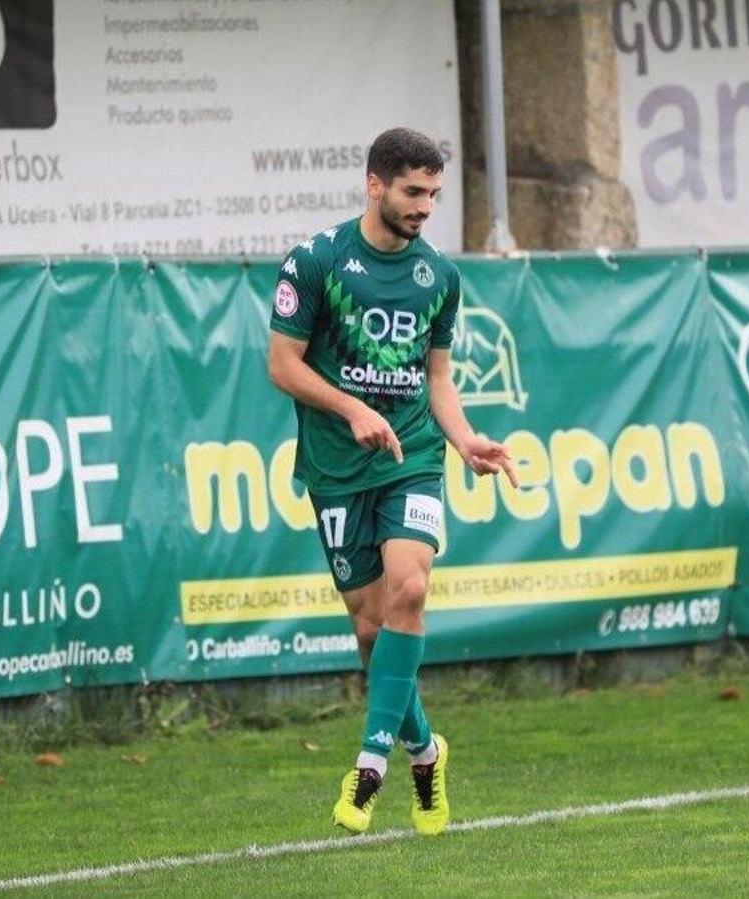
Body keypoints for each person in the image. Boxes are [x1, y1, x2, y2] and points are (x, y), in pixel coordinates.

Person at [266, 127, 517, 836]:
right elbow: (283, 364)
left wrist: (466, 440)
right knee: (373, 629)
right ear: (374, 184)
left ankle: (371, 760)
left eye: (434, 193)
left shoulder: (439, 276)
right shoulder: (315, 262)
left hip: (411, 454)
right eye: (413, 191)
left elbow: (437, 378)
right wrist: (350, 408)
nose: (425, 207)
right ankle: (426, 750)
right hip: (337, 468)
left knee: (410, 587)